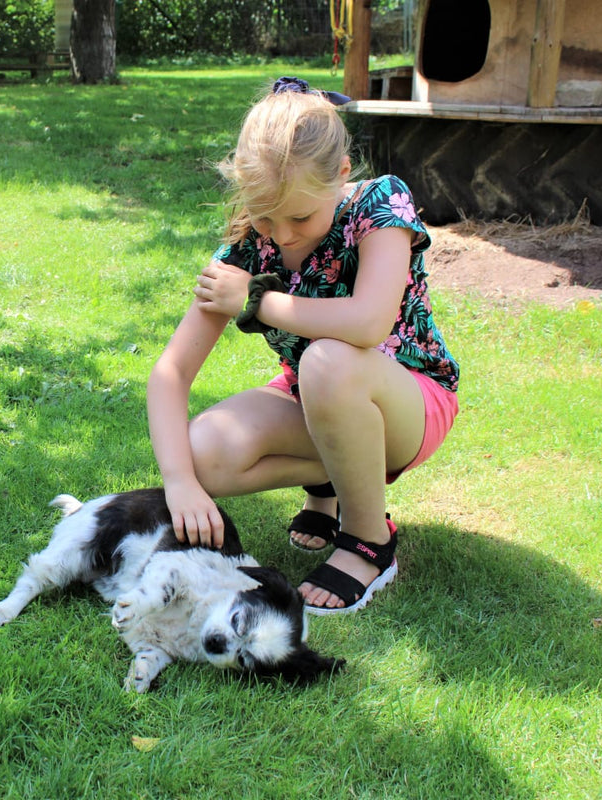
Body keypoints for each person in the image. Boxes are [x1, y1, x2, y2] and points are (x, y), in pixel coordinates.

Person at [146, 77, 460, 615]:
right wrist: (178, 483)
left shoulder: (379, 204)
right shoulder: (250, 246)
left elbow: (366, 324)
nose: (282, 234)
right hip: (313, 395)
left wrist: (257, 301)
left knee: (328, 359)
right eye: (265, 216)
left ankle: (368, 540)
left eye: (298, 217)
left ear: (341, 175)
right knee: (203, 455)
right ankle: (330, 476)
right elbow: (170, 373)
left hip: (407, 398)